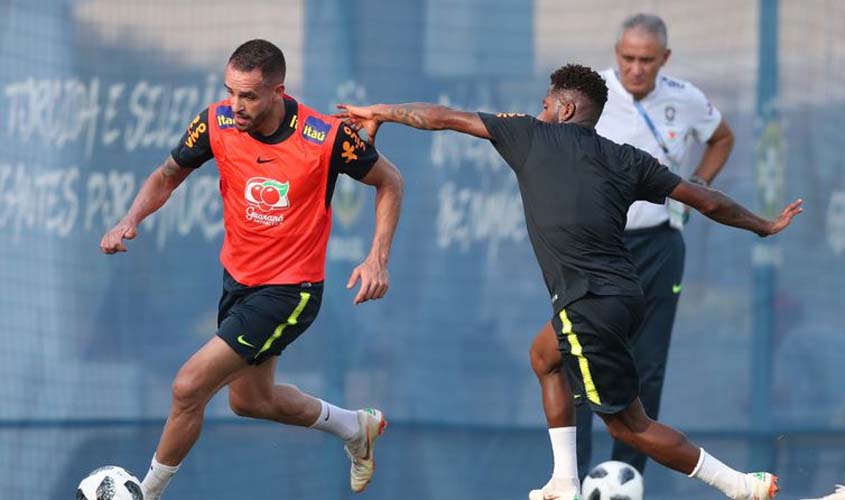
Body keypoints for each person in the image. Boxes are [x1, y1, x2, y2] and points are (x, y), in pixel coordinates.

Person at [337, 63, 800, 500]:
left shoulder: (531, 136)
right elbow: (708, 202)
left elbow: (442, 117)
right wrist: (762, 225)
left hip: (588, 303)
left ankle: (738, 485)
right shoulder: (626, 158)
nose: (539, 112)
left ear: (567, 108)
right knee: (545, 357)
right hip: (620, 294)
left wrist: (379, 112)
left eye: (545, 104)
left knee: (628, 426)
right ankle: (563, 480)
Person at [100, 39, 403, 499]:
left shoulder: (324, 138)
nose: (235, 105)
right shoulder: (215, 123)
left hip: (291, 290)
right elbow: (166, 175)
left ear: (278, 91)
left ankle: (146, 492)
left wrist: (377, 256)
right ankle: (354, 428)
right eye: (230, 92)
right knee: (250, 401)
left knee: (188, 386)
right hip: (238, 283)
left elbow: (390, 182)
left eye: (248, 96)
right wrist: (130, 218)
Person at [564, 12, 736, 477]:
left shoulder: (686, 98)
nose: (636, 68)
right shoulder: (588, 95)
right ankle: (571, 475)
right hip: (596, 249)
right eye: (627, 58)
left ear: (665, 59)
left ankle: (627, 478)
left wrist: (699, 183)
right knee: (576, 358)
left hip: (659, 245)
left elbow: (721, 138)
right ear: (615, 53)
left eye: (646, 60)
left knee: (646, 366)